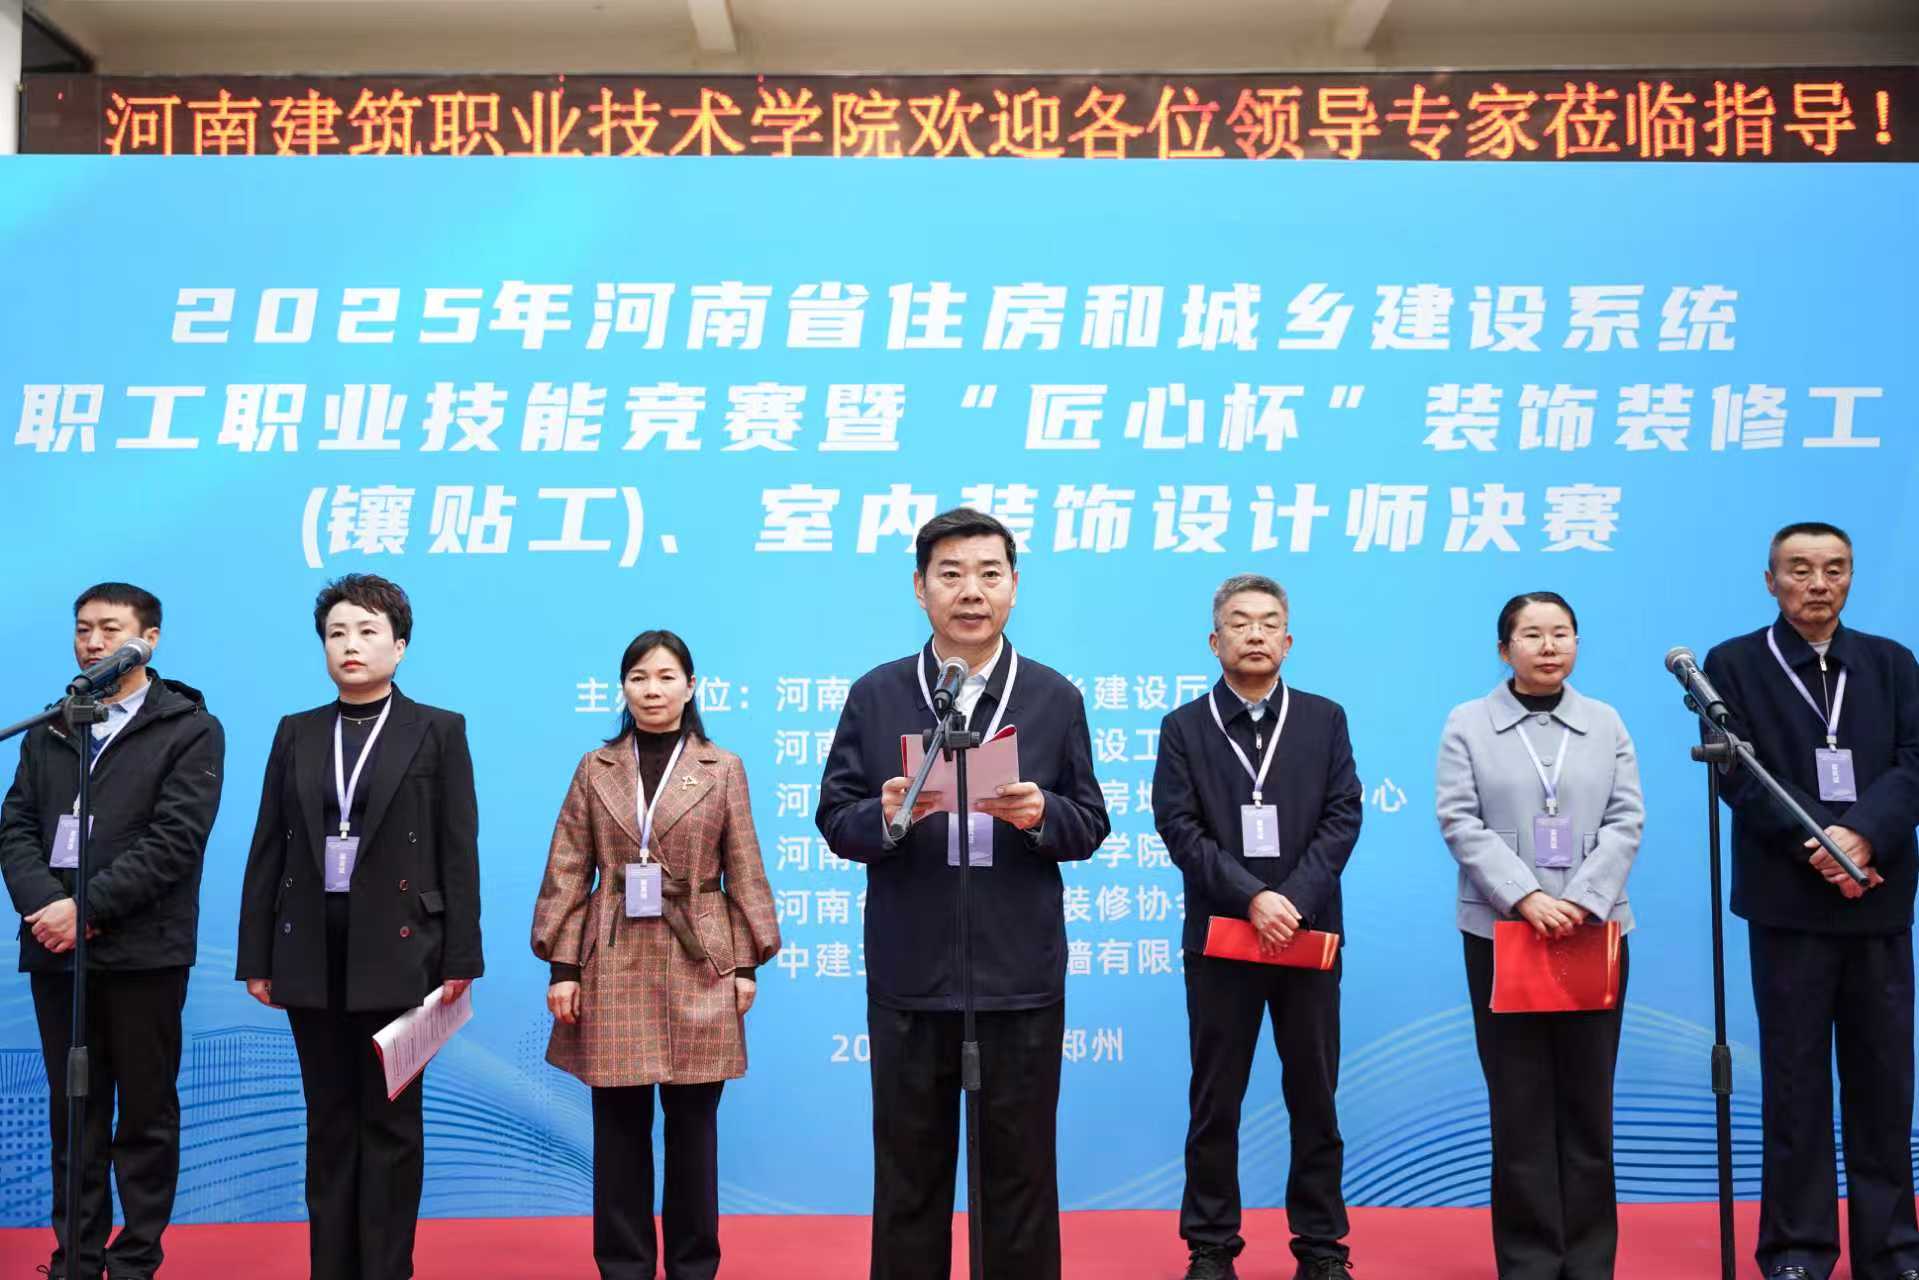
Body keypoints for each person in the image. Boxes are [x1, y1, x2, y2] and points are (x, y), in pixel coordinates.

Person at [815, 507, 1110, 1280]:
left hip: (1018, 978)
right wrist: (883, 815)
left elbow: (1089, 822)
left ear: (1013, 586)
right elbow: (834, 817)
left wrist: (1042, 814)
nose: (970, 591)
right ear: (919, 588)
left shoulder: (1051, 696)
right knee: (908, 1179)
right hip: (910, 977)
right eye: (950, 574)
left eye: (987, 574)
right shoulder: (877, 694)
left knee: (1019, 1178)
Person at [235, 573, 483, 1280]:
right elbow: (268, 846)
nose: (351, 644)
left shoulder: (437, 729)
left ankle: (386, 1269)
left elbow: (458, 848)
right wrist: (256, 955)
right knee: (329, 1122)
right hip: (312, 952)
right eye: (337, 632)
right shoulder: (298, 731)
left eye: (368, 631)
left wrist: (461, 957)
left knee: (392, 1126)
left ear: (399, 647)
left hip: (405, 955)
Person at [1703, 523, 1919, 1280]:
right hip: (1789, 902)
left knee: (1884, 1084)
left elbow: (1913, 761)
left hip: (1876, 898)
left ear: (1851, 577)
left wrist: (1862, 837)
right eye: (1799, 570)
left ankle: (1891, 1251)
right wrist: (1822, 843)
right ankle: (1796, 1249)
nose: (1817, 583)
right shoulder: (1731, 665)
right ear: (1770, 581)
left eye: (1833, 569)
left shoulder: (1891, 663)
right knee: (1794, 1083)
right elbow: (1738, 773)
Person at [531, 628, 781, 1280]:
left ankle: (694, 1267)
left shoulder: (722, 767)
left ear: (691, 687)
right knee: (618, 1130)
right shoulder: (596, 768)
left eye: (667, 677)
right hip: (612, 955)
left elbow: (744, 867)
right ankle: (624, 1267)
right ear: (623, 688)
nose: (652, 690)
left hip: (701, 955)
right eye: (639, 677)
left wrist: (747, 963)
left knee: (694, 1131)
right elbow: (567, 868)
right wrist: (563, 968)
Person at [0, 582, 224, 1280]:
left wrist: (86, 908)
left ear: (148, 640)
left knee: (145, 1115)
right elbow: (17, 827)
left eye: (109, 629)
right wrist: (47, 905)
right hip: (56, 951)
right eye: (83, 629)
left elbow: (174, 841)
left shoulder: (188, 728)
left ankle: (134, 1261)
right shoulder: (53, 726)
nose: (93, 642)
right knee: (75, 1111)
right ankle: (76, 1257)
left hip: (142, 953)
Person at [1152, 574, 1361, 1280]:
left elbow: (1343, 816)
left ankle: (1322, 1249)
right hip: (1222, 941)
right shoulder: (1183, 728)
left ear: (1288, 641)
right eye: (1239, 622)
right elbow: (1178, 828)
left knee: (1315, 1098)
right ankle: (1211, 1247)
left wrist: (1289, 901)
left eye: (1268, 623)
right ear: (1214, 641)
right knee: (1216, 1100)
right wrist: (1252, 899)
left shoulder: (1324, 720)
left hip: (1307, 935)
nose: (1254, 634)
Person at [1435, 591, 1644, 1280]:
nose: (1548, 646)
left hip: (1593, 932)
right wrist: (1523, 895)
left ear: (1576, 643)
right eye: (1531, 634)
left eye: (1561, 633)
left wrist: (1581, 900)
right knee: (1520, 1105)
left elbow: (1626, 819)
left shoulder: (1605, 722)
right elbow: (1459, 820)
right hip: (1502, 936)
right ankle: (1528, 1261)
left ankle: (1588, 1261)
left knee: (1588, 1103)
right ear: (1505, 650)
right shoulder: (1468, 724)